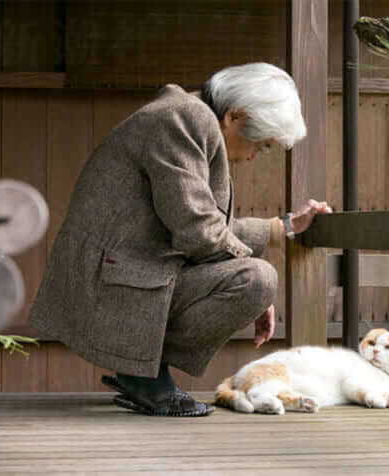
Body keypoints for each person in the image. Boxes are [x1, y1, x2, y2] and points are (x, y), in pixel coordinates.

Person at [28, 63, 332, 416]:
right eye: (262, 146)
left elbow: (211, 226)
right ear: (236, 116)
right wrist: (253, 282)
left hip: (131, 275)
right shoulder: (183, 119)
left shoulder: (189, 117)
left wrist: (286, 227)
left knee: (256, 277)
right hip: (112, 286)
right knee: (258, 278)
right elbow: (199, 231)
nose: (254, 157)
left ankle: (142, 372)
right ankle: (143, 374)